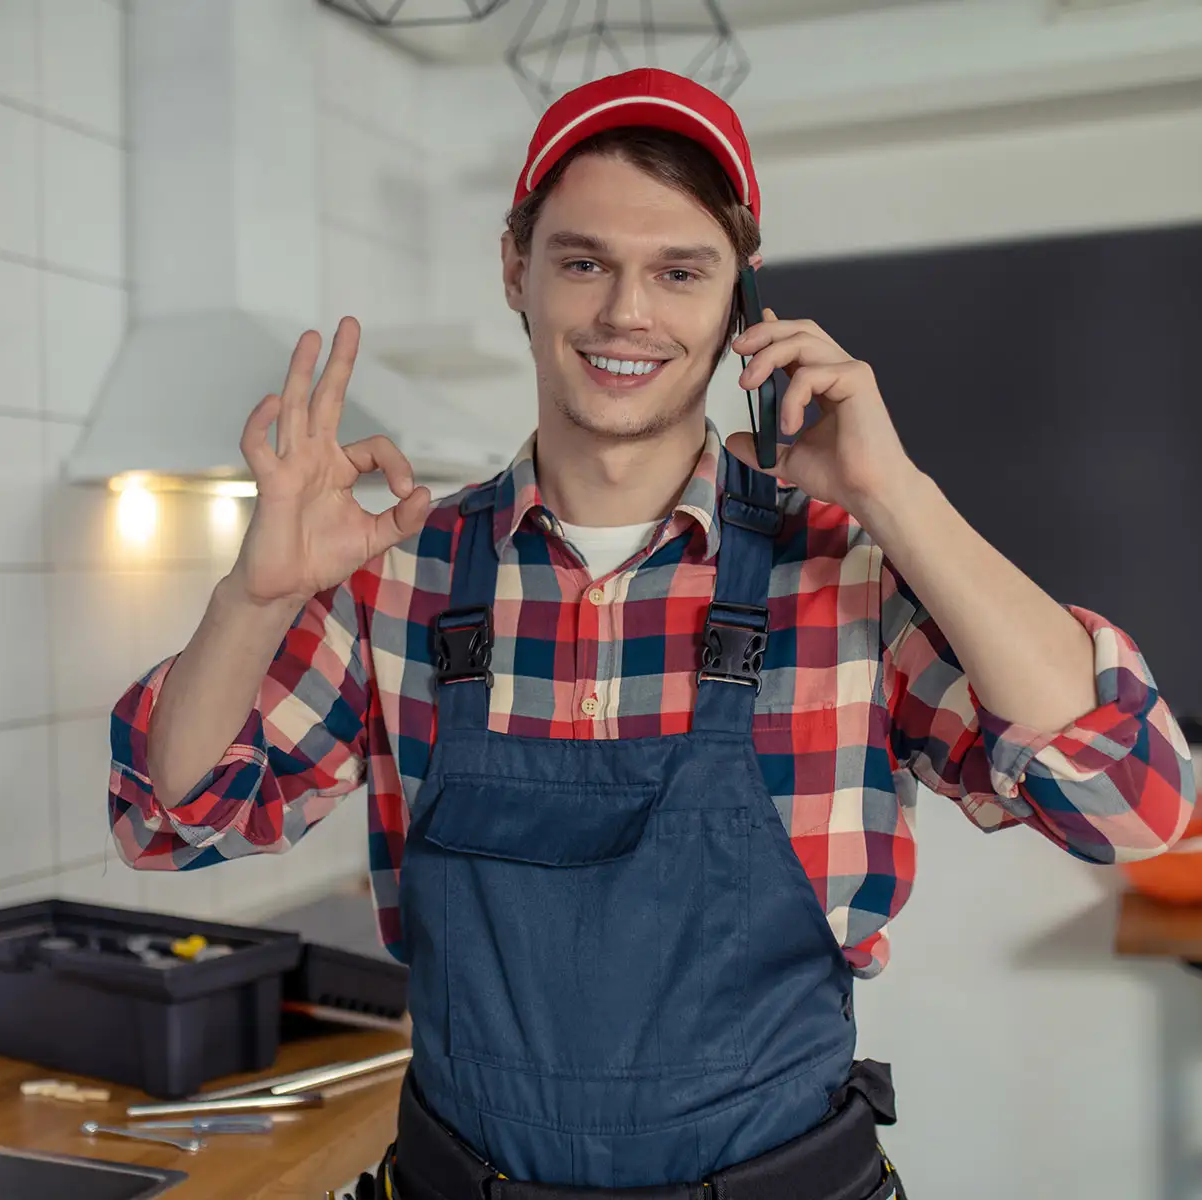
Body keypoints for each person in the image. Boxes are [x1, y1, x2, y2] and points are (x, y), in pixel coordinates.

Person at [107, 68, 1196, 1199]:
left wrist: (900, 498)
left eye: (680, 272)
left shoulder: (847, 569)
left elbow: (1137, 802)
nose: (627, 314)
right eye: (584, 262)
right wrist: (252, 597)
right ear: (513, 269)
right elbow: (168, 822)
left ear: (738, 300)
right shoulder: (400, 570)